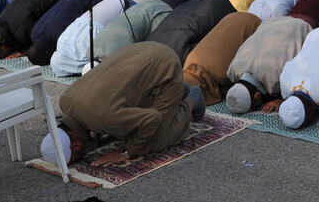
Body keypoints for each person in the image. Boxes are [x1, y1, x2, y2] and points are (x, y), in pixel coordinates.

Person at [42, 42, 205, 167]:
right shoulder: (66, 100)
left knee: (154, 139)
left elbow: (152, 119)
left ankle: (191, 99)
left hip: (165, 67)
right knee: (124, 125)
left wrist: (127, 152)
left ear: (75, 145)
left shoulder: (102, 119)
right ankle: (176, 92)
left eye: (77, 157)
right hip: (142, 50)